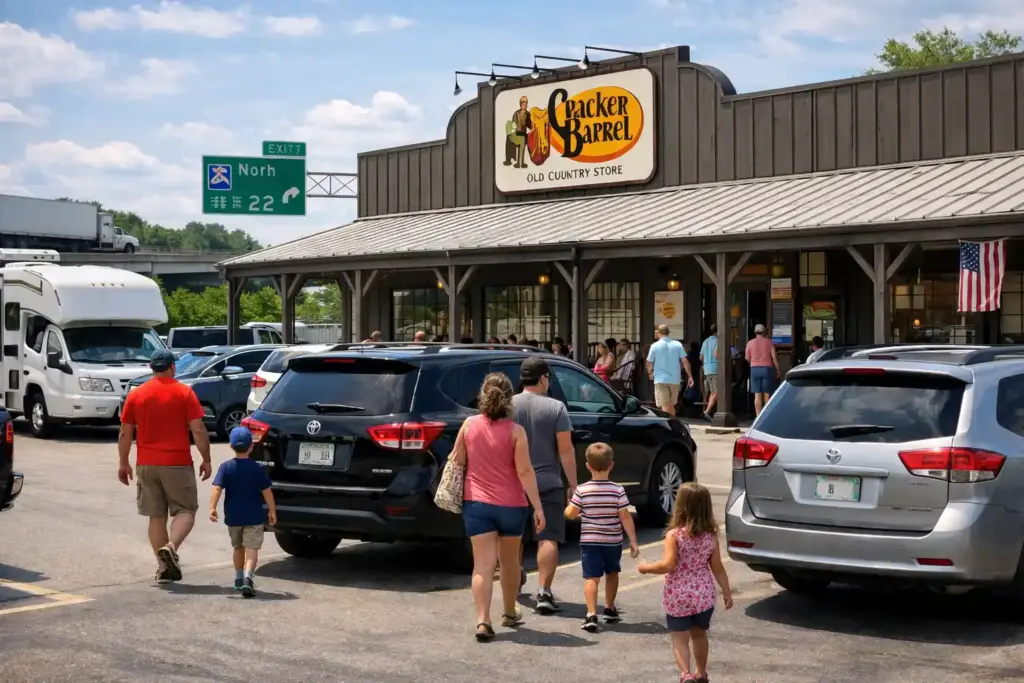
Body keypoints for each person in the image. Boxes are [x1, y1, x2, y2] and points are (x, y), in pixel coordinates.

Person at [452, 373, 545, 641]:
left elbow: (458, 460)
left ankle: (483, 621)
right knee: (509, 562)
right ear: (509, 398)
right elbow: (525, 471)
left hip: (477, 502)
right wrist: (538, 507)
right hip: (511, 505)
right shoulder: (516, 431)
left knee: (482, 566)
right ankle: (508, 611)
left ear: (483, 394)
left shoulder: (468, 425)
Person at [118, 349, 212, 585]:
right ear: (173, 367)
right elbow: (198, 429)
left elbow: (125, 432)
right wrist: (206, 458)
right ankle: (171, 547)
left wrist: (123, 463)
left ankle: (163, 569)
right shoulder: (184, 392)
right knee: (185, 510)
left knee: (156, 516)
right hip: (177, 462)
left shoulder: (136, 395)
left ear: (151, 368)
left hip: (146, 464)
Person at [639, 483, 733, 683]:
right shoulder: (711, 537)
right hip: (704, 595)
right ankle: (701, 672)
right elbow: (717, 568)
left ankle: (685, 674)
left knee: (679, 637)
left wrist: (646, 568)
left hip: (678, 595)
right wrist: (726, 591)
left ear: (680, 505)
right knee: (699, 635)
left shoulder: (675, 535)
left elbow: (668, 564)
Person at [512, 357, 577, 615]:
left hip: (514, 482)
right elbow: (566, 449)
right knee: (548, 536)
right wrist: (573, 483)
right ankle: (544, 592)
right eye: (548, 378)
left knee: (512, 536)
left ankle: (513, 583)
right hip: (548, 481)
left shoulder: (507, 405)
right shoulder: (556, 407)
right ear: (542, 379)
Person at [564, 443, 639, 633]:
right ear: (611, 465)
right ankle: (609, 607)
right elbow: (625, 516)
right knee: (612, 572)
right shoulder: (617, 490)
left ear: (587, 466)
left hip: (590, 542)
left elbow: (571, 514)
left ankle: (591, 613)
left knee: (591, 577)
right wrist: (633, 540)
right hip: (613, 541)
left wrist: (568, 504)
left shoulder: (582, 490)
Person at [208, 427, 278, 598]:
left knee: (238, 547)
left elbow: (217, 488)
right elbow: (267, 490)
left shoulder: (226, 467)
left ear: (231, 446)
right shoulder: (258, 468)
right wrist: (272, 510)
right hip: (254, 517)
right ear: (251, 447)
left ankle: (239, 577)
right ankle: (248, 578)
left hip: (233, 517)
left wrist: (212, 508)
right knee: (251, 549)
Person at [646, 325, 691, 416]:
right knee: (670, 404)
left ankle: (672, 424)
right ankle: (673, 423)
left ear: (658, 333)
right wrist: (690, 376)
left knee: (665, 404)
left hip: (660, 379)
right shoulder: (678, 344)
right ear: (668, 333)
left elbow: (649, 362)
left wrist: (650, 373)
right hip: (675, 379)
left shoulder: (654, 346)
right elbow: (685, 361)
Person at [745, 323, 781, 417]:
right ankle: (766, 416)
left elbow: (747, 358)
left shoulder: (750, 343)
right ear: (764, 331)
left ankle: (758, 417)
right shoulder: (769, 342)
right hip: (766, 369)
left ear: (755, 332)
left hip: (754, 369)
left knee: (757, 395)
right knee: (767, 395)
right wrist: (778, 369)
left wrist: (752, 364)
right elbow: (774, 357)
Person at [699, 325, 720, 422]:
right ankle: (707, 411)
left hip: (706, 368)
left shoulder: (705, 341)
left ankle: (707, 411)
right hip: (715, 368)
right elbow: (716, 354)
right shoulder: (718, 340)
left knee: (713, 391)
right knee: (717, 391)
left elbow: (701, 357)